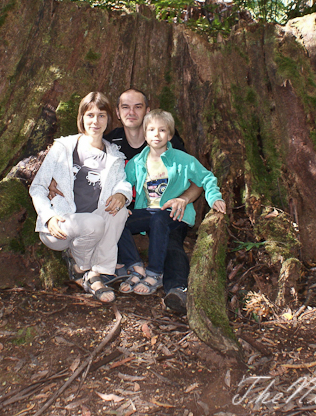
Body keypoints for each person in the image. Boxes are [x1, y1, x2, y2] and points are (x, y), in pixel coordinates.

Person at [50, 88, 203, 313]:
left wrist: (183, 199)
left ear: (147, 111)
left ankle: (177, 289)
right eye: (125, 107)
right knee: (109, 225)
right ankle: (126, 269)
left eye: (138, 107)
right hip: (130, 212)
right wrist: (57, 181)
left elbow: (197, 179)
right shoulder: (111, 141)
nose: (131, 112)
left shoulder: (164, 138)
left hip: (165, 211)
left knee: (171, 242)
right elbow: (86, 171)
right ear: (118, 113)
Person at [29, 92, 132, 303]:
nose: (95, 121)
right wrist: (48, 217)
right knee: (94, 223)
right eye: (90, 115)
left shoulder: (114, 154)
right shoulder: (64, 148)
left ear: (108, 119)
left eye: (101, 115)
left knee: (119, 212)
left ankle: (97, 271)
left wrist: (122, 194)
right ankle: (80, 266)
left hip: (92, 224)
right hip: (60, 227)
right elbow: (38, 186)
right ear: (81, 118)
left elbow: (122, 181)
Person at [118, 110, 226, 297]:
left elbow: (206, 177)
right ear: (145, 134)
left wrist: (215, 198)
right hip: (150, 214)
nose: (156, 134)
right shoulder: (137, 162)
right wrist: (123, 206)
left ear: (169, 135)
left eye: (162, 130)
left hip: (176, 215)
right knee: (116, 220)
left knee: (168, 235)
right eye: (151, 130)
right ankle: (135, 266)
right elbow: (123, 184)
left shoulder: (182, 159)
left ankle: (162, 277)